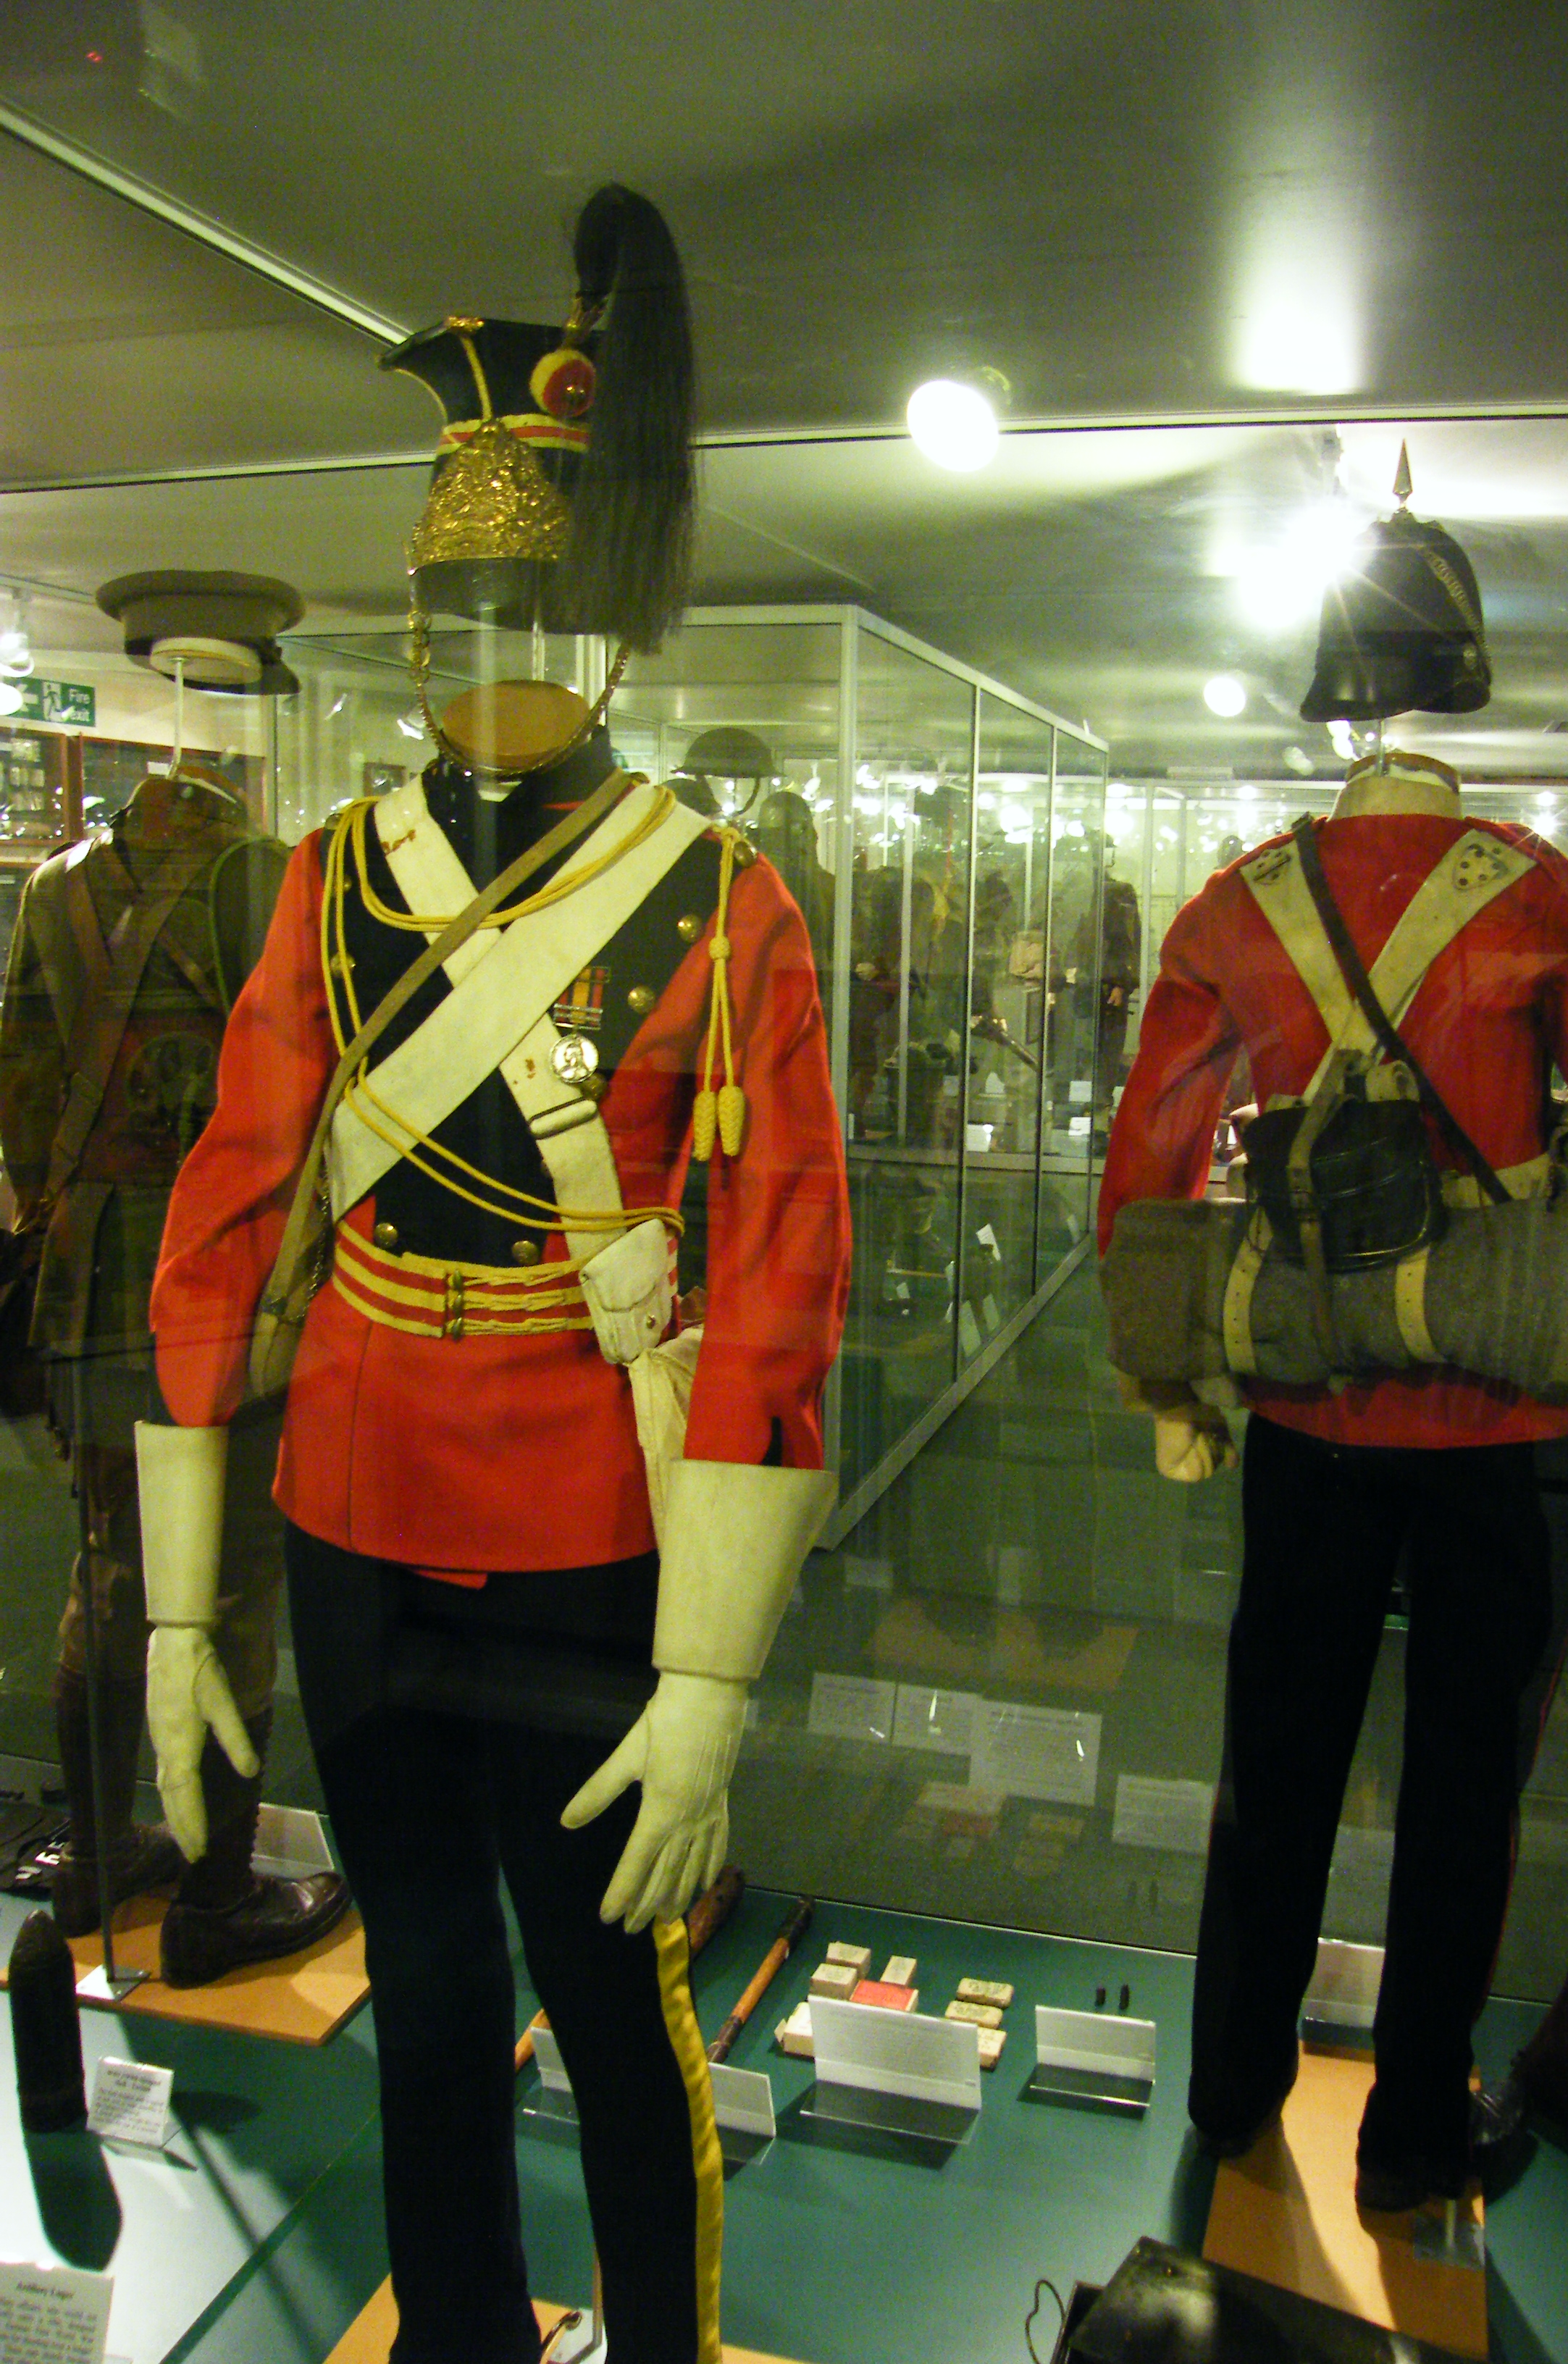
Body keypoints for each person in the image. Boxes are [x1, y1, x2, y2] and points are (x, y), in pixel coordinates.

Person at [137, 188, 849, 2364]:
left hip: (591, 1539)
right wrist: (179, 1607)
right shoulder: (333, 880)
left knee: (616, 2007)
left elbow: (783, 1280)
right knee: (430, 1992)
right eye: (454, 616)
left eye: (523, 614)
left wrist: (712, 1676)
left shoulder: (721, 901)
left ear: (602, 628)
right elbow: (227, 1221)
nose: (483, 660)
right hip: (353, 1516)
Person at [1100, 494, 1568, 2213]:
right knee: (1464, 1794)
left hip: (1308, 1417)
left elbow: (1146, 1176)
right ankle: (1409, 2138)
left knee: (1275, 1768)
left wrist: (1171, 1379)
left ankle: (1232, 2090)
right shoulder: (1546, 902)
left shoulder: (1234, 911)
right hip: (1500, 1435)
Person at [0, 589, 348, 1987]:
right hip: (215, 1289)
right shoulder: (267, 880)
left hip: (85, 1286)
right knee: (227, 1579)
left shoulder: (53, 889)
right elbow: (306, 1100)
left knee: (107, 1565)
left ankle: (97, 1855)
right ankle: (215, 1893)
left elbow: (25, 1102)